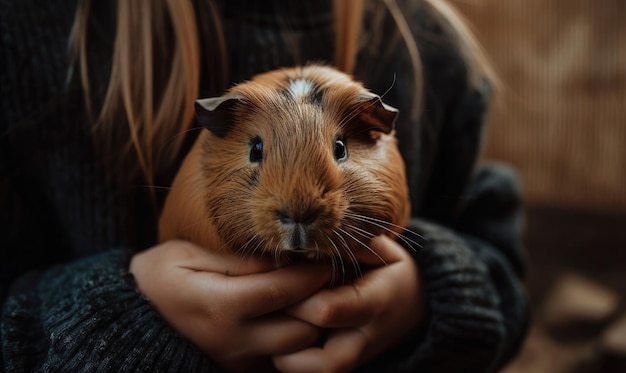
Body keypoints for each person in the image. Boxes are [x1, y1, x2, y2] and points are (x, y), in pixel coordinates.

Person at [0, 0, 529, 371]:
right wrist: (114, 321)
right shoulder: (26, 32)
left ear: (376, 127)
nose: (298, 204)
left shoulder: (431, 46)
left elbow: (505, 275)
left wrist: (432, 299)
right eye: (257, 151)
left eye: (339, 150)